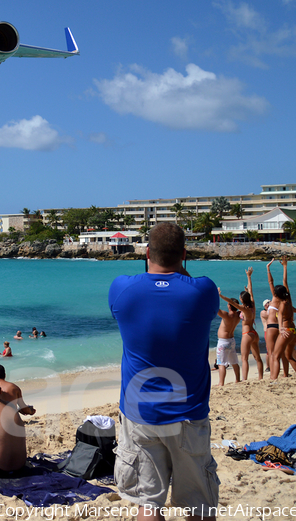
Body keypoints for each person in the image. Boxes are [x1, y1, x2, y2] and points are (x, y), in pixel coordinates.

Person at [108, 222, 219, 521]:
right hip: (188, 414)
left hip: (139, 413)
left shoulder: (122, 289)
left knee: (148, 503)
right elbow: (187, 284)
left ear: (147, 252)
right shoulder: (204, 291)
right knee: (199, 505)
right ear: (184, 254)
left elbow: (146, 284)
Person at [267, 258, 296, 379]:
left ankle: (273, 379)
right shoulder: (288, 301)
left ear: (276, 295)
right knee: (289, 356)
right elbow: (285, 283)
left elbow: (280, 315)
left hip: (286, 331)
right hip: (294, 331)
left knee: (275, 356)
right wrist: (285, 267)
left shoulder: (281, 304)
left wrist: (280, 329)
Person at [231, 268, 263, 380]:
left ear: (241, 299)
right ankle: (260, 377)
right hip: (254, 333)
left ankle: (244, 379)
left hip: (247, 334)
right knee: (257, 357)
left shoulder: (244, 309)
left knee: (244, 358)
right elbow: (251, 292)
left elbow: (231, 302)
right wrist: (249, 276)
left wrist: (220, 296)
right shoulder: (252, 306)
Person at [215, 291, 241, 386]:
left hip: (223, 341)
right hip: (232, 341)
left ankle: (221, 383)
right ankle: (238, 380)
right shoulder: (238, 315)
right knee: (234, 362)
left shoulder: (227, 315)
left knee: (221, 363)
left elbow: (215, 309)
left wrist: (216, 296)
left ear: (229, 306)